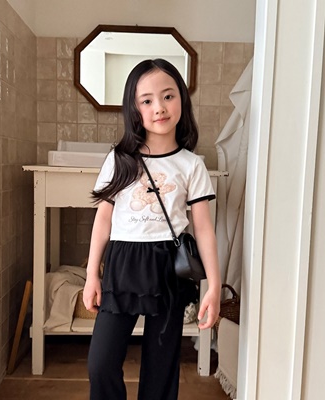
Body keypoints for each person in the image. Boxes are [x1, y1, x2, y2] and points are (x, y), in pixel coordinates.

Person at [83, 58, 221, 400]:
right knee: (101, 363)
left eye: (168, 96)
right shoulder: (119, 159)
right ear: (135, 109)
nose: (159, 107)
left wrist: (214, 286)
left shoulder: (191, 165)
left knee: (161, 370)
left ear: (182, 100)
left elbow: (204, 229)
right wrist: (91, 274)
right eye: (146, 100)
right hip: (123, 265)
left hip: (168, 267)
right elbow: (103, 220)